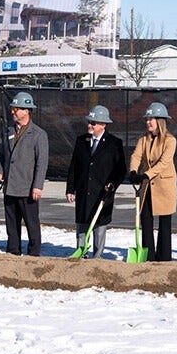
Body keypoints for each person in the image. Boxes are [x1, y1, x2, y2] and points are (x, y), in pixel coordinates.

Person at [65, 105, 126, 258]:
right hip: (84, 191)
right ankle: (81, 254)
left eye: (93, 123)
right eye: (89, 122)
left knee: (99, 227)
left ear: (103, 124)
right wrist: (70, 188)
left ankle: (97, 258)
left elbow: (120, 169)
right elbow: (74, 166)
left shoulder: (114, 143)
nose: (89, 125)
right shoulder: (81, 141)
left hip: (102, 193)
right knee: (82, 226)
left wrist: (112, 184)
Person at [0, 92, 49, 256]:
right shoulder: (8, 131)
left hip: (28, 188)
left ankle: (34, 253)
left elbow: (42, 162)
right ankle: (13, 251)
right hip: (10, 187)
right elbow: (1, 156)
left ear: (26, 111)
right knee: (11, 223)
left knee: (32, 223)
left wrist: (37, 186)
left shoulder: (39, 134)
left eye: (16, 109)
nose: (13, 112)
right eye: (12, 108)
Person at [129, 102, 177, 261]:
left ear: (160, 121)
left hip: (164, 185)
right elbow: (136, 156)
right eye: (147, 119)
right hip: (147, 186)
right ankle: (148, 255)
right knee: (146, 219)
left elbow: (164, 163)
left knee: (164, 222)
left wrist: (146, 174)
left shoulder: (170, 140)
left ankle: (164, 257)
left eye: (151, 119)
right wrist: (133, 171)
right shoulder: (144, 139)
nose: (148, 122)